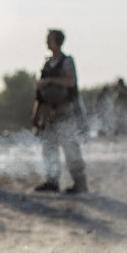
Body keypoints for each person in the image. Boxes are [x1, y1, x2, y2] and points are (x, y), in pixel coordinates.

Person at [31, 29, 88, 194]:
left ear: (57, 41)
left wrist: (50, 80)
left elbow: (71, 82)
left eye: (49, 39)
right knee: (49, 148)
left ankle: (80, 184)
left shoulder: (66, 61)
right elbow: (39, 95)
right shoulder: (47, 64)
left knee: (70, 148)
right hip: (48, 112)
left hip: (65, 111)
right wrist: (35, 115)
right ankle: (52, 181)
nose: (46, 42)